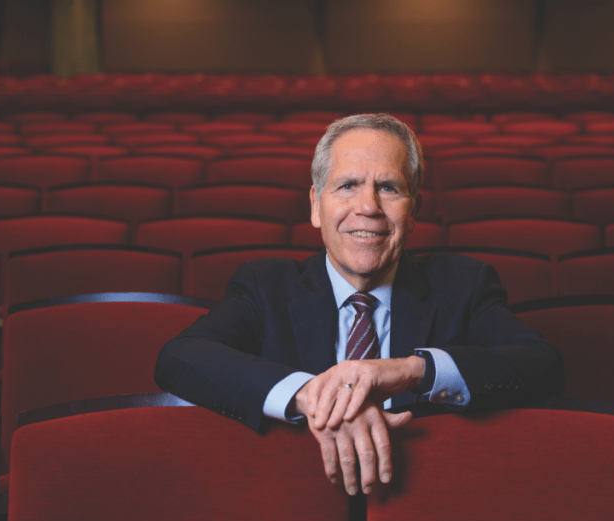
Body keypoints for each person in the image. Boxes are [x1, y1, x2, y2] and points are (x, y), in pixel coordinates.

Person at [155, 113, 564, 497]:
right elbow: (180, 357)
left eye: (388, 187)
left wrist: (407, 370)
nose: (368, 207)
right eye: (347, 185)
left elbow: (542, 365)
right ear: (316, 205)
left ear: (414, 209)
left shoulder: (464, 284)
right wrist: (317, 396)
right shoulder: (266, 285)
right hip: (290, 502)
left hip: (427, 505)